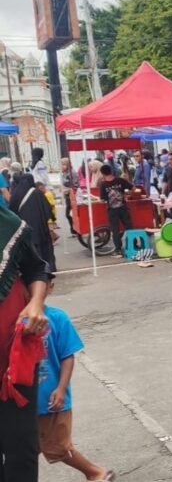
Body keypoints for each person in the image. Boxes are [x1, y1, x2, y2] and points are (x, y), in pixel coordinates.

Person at [37, 281, 115, 481]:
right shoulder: (14, 319)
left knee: (58, 447)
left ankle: (95, 472)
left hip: (50, 399)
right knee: (27, 445)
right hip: (23, 400)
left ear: (50, 287)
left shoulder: (56, 318)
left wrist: (61, 388)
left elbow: (67, 356)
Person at [0, 206, 51, 482]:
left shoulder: (7, 225)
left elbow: (37, 269)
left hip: (14, 360)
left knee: (22, 450)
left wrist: (35, 303)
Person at [10, 173, 56, 272]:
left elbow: (12, 210)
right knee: (42, 248)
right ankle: (47, 268)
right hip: (40, 228)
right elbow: (48, 209)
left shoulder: (16, 193)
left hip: (24, 227)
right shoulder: (37, 193)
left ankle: (32, 270)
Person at [99, 165, 133, 257]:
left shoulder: (103, 185)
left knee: (115, 230)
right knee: (129, 226)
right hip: (123, 208)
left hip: (112, 210)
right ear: (111, 171)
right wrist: (128, 195)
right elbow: (132, 188)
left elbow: (102, 199)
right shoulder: (120, 180)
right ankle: (132, 245)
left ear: (102, 173)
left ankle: (118, 249)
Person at [60, 157, 78, 236]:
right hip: (67, 196)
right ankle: (73, 229)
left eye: (64, 164)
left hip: (72, 196)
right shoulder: (63, 173)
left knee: (69, 214)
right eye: (61, 164)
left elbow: (76, 185)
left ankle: (74, 229)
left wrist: (68, 189)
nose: (62, 166)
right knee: (69, 214)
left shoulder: (72, 173)